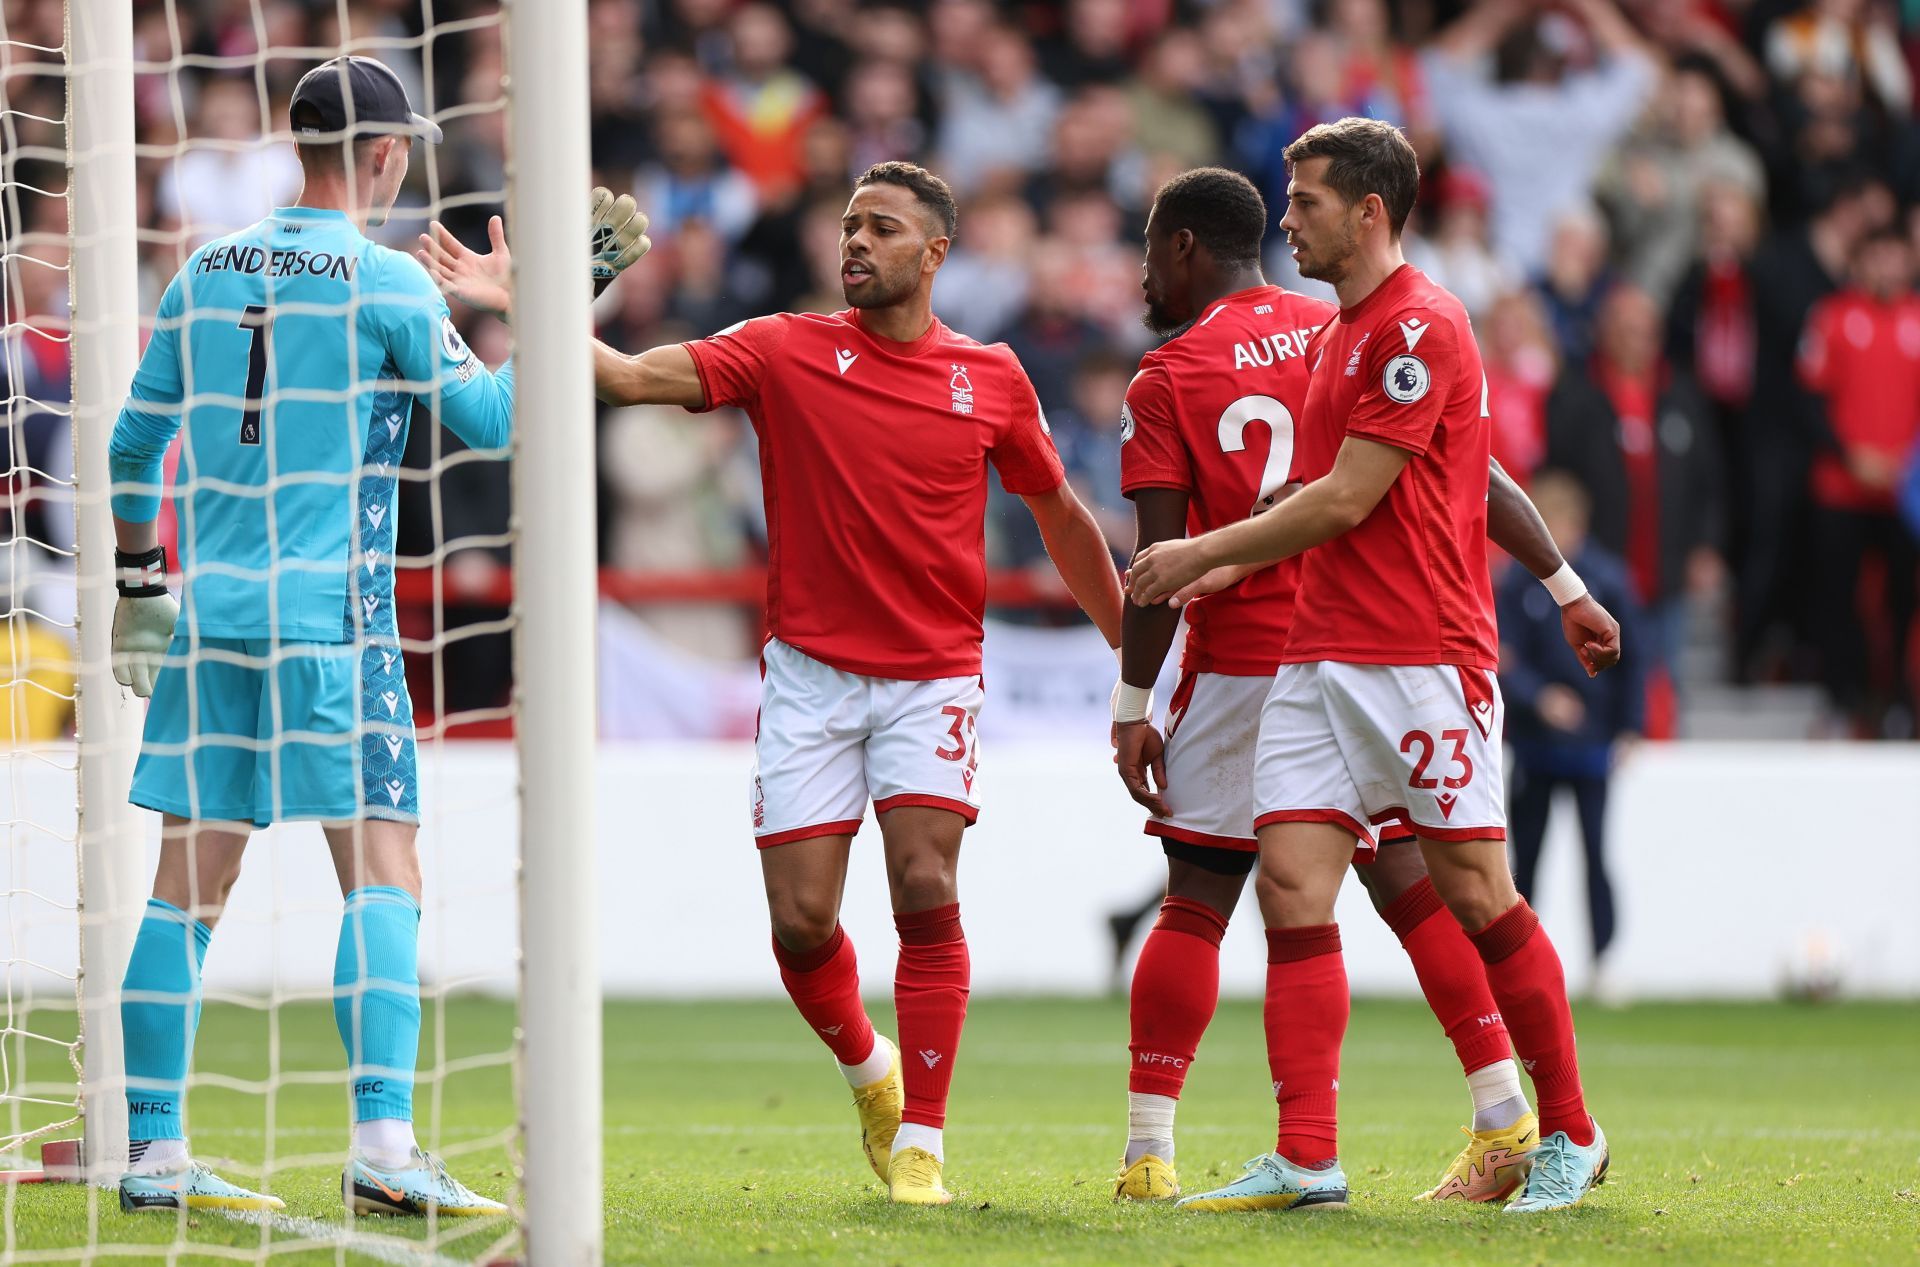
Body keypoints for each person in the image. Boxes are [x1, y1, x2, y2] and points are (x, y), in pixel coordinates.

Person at [422, 161, 1125, 1206]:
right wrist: (534, 301)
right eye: (848, 224)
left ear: (935, 255)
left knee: (926, 887)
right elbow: (620, 377)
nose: (855, 242)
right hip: (808, 680)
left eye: (881, 228)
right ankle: (873, 1076)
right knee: (801, 922)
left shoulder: (994, 378)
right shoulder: (786, 348)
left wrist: (1130, 656)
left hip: (934, 676)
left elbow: (1063, 516)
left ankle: (924, 1141)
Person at [1109, 167, 1621, 1205]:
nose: (1289, 216)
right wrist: (1560, 580)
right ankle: (1309, 1154)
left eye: (1305, 201)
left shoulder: (1421, 323)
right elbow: (1316, 488)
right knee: (1298, 889)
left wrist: (1196, 563)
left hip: (1418, 652)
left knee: (1469, 893)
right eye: (1285, 204)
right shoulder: (1329, 332)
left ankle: (1565, 1127)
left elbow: (1349, 495)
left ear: (1368, 212)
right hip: (1312, 654)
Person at [105, 56, 510, 1217]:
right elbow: (488, 422)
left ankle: (153, 1151)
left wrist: (141, 586)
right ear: (386, 153)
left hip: (210, 620)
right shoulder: (386, 280)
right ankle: (384, 1144)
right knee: (383, 868)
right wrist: (536, 305)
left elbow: (135, 453)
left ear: (298, 144)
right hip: (336, 625)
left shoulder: (201, 271)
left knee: (182, 892)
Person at [1498, 471, 1643, 1000]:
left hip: (1591, 745)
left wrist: (1630, 728)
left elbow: (1634, 656)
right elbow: (1502, 656)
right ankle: (1516, 964)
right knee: (1524, 861)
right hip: (1537, 745)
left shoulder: (1607, 579)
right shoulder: (1517, 583)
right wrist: (1540, 699)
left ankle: (1604, 958)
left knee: (1595, 856)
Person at [1796, 228, 1920, 734]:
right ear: (1860, 263)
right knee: (1839, 599)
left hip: (1906, 493)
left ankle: (1897, 703)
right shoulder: (1831, 316)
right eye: (1878, 258)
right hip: (1841, 489)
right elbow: (1807, 400)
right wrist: (1851, 455)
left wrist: (1907, 462)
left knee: (1903, 604)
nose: (1888, 269)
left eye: (1897, 259)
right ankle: (1843, 699)